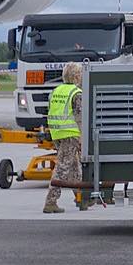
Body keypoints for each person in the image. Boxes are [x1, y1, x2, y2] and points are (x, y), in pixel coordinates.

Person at [42, 63, 89, 214]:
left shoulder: (57, 90)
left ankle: (81, 198)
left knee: (74, 167)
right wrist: (83, 138)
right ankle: (51, 201)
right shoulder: (76, 93)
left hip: (57, 133)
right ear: (76, 76)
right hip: (70, 133)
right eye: (80, 74)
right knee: (62, 167)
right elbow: (80, 117)